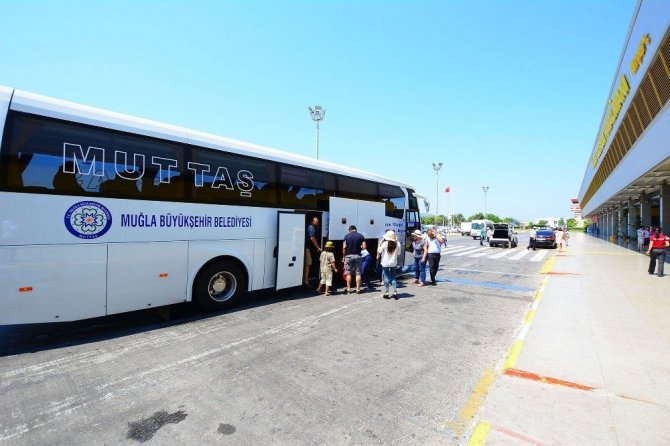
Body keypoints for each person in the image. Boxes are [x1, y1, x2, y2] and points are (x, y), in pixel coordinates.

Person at [342, 225, 366, 294]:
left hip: (348, 256)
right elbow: (364, 247)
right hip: (358, 256)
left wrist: (343, 256)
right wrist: (359, 248)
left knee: (348, 273)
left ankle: (349, 289)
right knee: (358, 273)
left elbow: (344, 247)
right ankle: (358, 289)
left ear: (350, 230)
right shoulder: (361, 236)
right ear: (356, 229)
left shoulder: (346, 236)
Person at [377, 230, 401, 299]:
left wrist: (380, 243)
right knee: (393, 277)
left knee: (386, 277)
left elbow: (379, 251)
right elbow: (399, 253)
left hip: (385, 262)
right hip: (393, 262)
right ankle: (395, 291)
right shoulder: (398, 243)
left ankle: (387, 292)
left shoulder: (385, 243)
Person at [303, 217, 321, 287]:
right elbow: (312, 237)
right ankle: (306, 281)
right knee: (308, 263)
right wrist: (318, 247)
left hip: (303, 247)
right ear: (312, 221)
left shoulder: (307, 225)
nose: (317, 223)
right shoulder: (311, 227)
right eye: (316, 222)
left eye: (318, 222)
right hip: (306, 248)